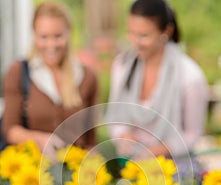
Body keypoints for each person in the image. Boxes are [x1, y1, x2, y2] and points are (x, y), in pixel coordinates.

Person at [105, 0, 209, 160]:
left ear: (166, 31)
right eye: (131, 33)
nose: (135, 42)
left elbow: (193, 134)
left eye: (144, 35)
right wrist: (122, 134)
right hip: (131, 163)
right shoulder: (122, 66)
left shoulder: (190, 77)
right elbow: (115, 119)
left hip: (176, 167)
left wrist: (162, 150)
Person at [2, 1, 98, 159]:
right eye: (44, 37)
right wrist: (40, 139)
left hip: (73, 174)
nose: (51, 45)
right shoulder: (19, 72)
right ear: (34, 35)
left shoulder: (87, 76)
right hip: (31, 172)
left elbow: (91, 139)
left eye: (58, 36)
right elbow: (10, 130)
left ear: (69, 33)